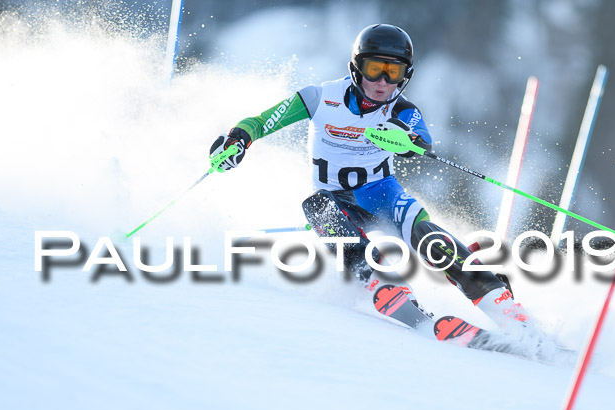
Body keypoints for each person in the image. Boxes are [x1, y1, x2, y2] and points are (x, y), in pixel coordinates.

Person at [210, 24, 537, 347]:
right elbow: (261, 122)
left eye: (393, 72)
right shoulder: (320, 98)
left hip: (381, 194)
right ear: (356, 68)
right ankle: (385, 283)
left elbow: (420, 140)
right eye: (374, 69)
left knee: (427, 235)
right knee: (316, 206)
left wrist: (404, 139)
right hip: (336, 201)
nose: (382, 82)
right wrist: (238, 141)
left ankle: (503, 305)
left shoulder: (402, 109)